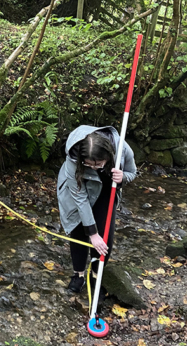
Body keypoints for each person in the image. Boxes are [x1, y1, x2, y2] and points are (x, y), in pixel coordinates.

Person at [56, 125, 137, 294]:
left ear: (108, 157)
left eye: (98, 164)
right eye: (88, 164)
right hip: (78, 188)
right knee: (78, 230)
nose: (93, 168)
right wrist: (92, 233)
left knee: (105, 239)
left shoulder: (122, 149)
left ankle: (95, 275)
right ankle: (78, 275)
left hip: (106, 190)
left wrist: (123, 177)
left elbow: (132, 172)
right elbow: (80, 198)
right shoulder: (74, 157)